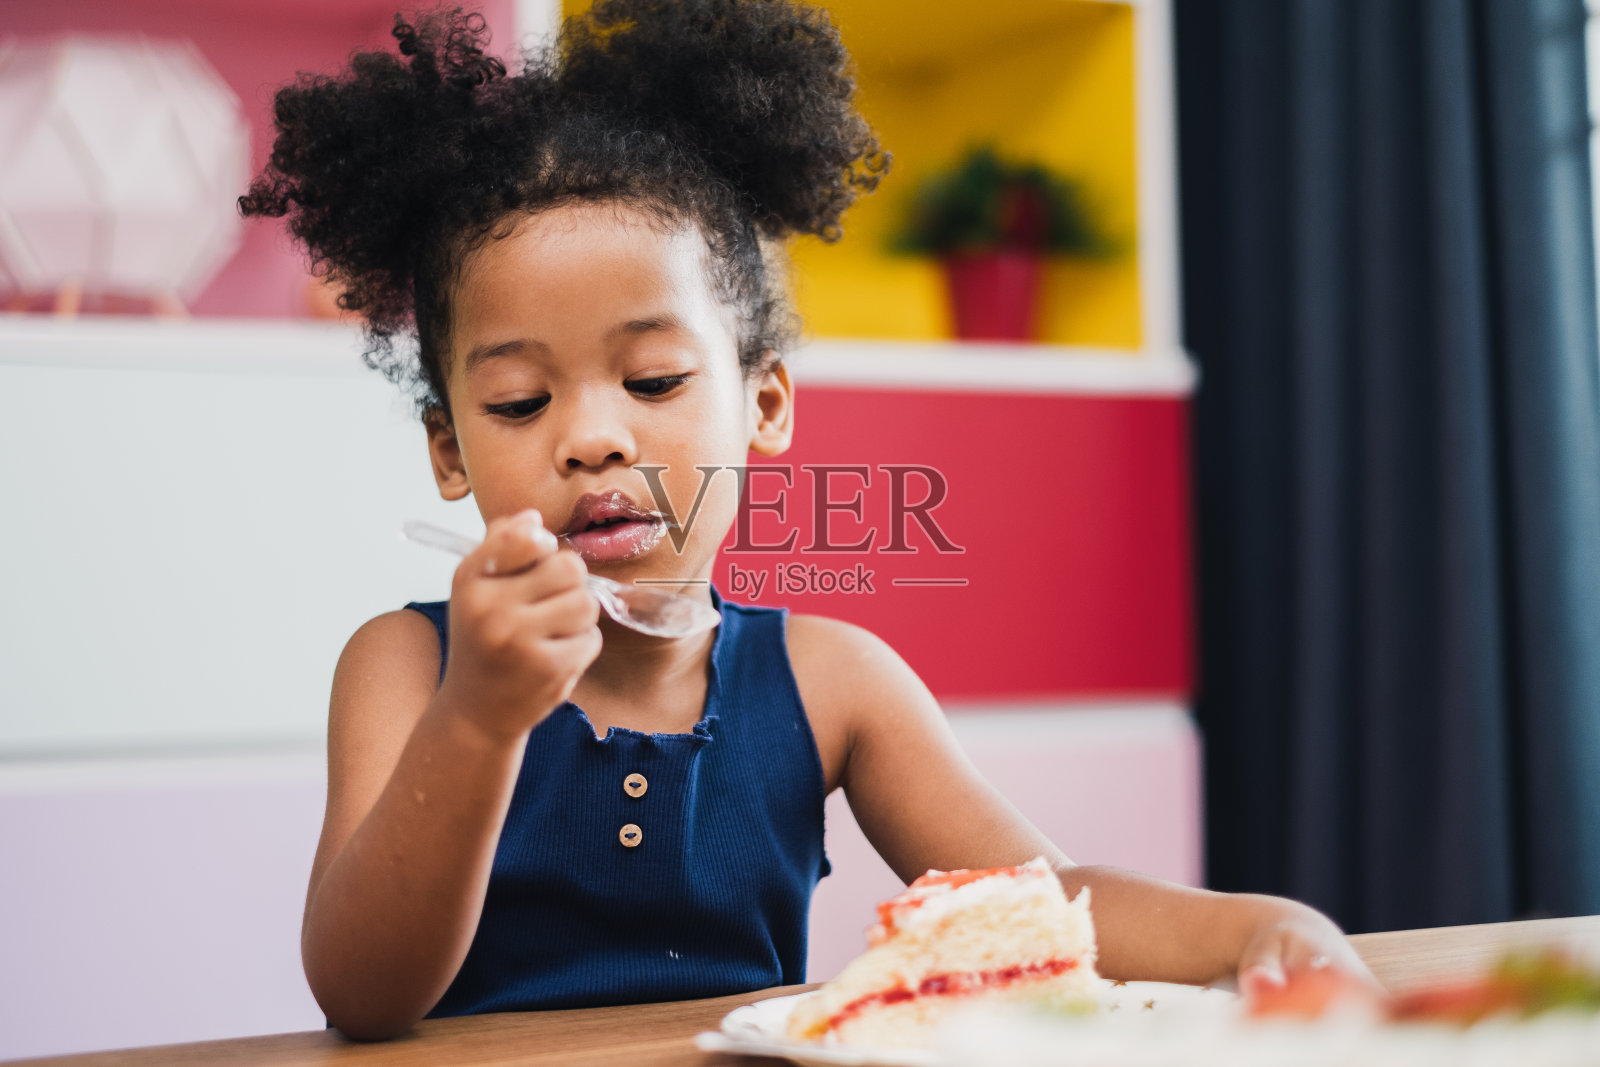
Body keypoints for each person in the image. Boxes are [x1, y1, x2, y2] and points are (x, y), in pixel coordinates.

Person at [240, 0, 1375, 1040]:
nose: (591, 438)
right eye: (520, 402)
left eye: (651, 380)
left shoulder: (830, 679)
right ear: (450, 448)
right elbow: (361, 992)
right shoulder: (405, 666)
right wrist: (479, 720)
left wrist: (1249, 930)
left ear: (764, 404)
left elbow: (1044, 909)